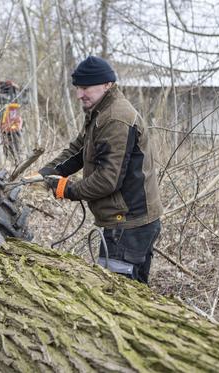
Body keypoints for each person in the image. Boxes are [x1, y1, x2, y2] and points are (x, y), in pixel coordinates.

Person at [40, 56, 163, 285]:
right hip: (126, 221)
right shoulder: (100, 111)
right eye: (77, 88)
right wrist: (47, 173)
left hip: (129, 225)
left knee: (118, 295)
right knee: (133, 293)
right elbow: (80, 149)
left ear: (107, 84)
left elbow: (108, 179)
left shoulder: (116, 118)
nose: (79, 95)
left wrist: (69, 190)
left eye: (85, 88)